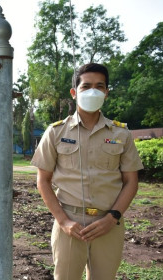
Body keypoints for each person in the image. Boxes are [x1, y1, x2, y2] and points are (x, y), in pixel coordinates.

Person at [31, 63, 143, 280]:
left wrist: (112, 218)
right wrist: (63, 221)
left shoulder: (121, 134)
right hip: (70, 223)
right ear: (74, 92)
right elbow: (43, 181)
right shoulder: (56, 132)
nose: (93, 91)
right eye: (86, 86)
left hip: (109, 223)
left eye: (100, 86)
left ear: (107, 93)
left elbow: (131, 181)